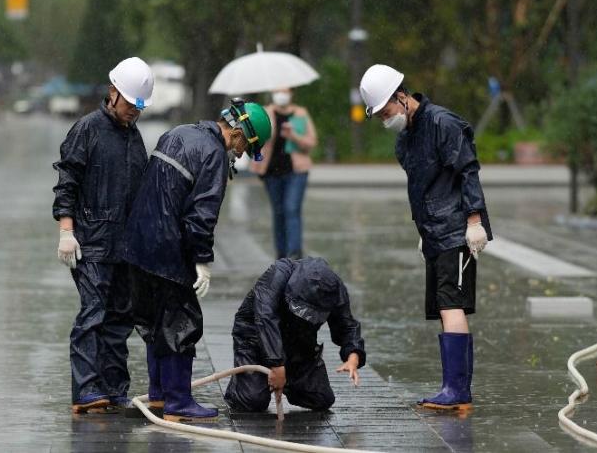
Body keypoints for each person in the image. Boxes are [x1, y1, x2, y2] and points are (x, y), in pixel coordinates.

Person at [120, 98, 272, 422]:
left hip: (137, 244)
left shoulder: (179, 132)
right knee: (182, 323)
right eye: (245, 146)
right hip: (168, 250)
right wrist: (202, 260)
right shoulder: (214, 154)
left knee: (155, 323)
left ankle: (160, 395)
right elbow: (201, 215)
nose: (241, 154)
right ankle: (178, 402)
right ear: (237, 133)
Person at [359, 63, 492, 411]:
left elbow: (468, 170)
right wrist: (423, 230)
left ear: (401, 97)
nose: (386, 119)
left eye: (387, 111)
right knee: (443, 306)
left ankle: (456, 390)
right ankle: (453, 388)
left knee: (452, 304)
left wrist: (474, 220)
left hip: (456, 229)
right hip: (434, 231)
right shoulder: (407, 138)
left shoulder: (443, 123)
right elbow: (422, 187)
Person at [52, 57, 154, 414]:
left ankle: (113, 388)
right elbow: (67, 182)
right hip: (91, 244)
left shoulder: (134, 137)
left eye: (139, 108)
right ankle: (85, 390)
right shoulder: (87, 130)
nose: (133, 113)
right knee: (92, 315)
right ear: (113, 93)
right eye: (129, 105)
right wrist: (67, 230)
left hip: (125, 248)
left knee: (120, 319)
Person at [223, 257, 365, 413]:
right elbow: (265, 318)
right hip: (255, 337)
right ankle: (244, 385)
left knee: (321, 399)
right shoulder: (278, 274)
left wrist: (353, 356)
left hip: (299, 341)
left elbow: (347, 324)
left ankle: (288, 381)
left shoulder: (334, 289)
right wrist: (276, 364)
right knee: (252, 401)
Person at [251, 88, 318, 259]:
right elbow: (253, 140)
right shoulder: (264, 113)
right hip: (271, 171)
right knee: (278, 212)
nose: (281, 94)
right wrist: (268, 131)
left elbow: (311, 142)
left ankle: (295, 253)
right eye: (278, 91)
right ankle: (281, 254)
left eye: (285, 91)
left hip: (296, 171)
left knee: (292, 209)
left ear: (291, 93)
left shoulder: (301, 113)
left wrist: (293, 135)